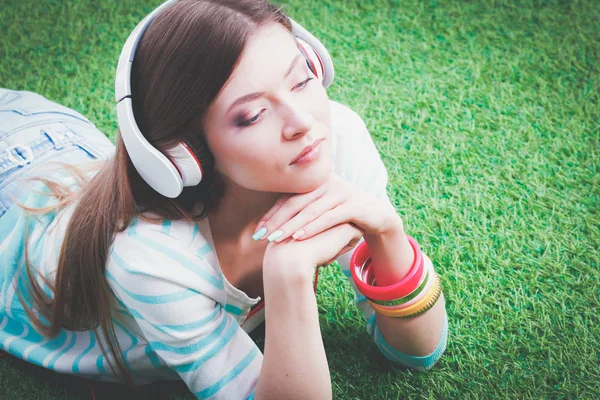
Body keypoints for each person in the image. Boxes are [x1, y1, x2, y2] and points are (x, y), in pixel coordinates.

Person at [0, 0, 449, 398]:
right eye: (253, 115)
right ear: (185, 155)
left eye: (301, 80)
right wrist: (288, 273)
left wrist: (387, 231)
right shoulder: (150, 256)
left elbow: (420, 354)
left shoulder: (334, 139)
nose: (302, 122)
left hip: (62, 145)